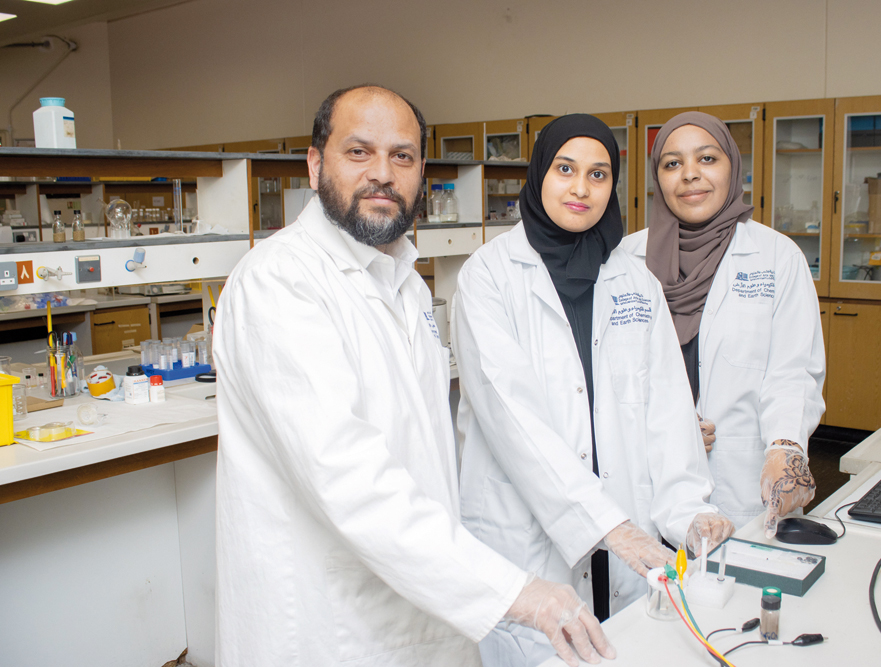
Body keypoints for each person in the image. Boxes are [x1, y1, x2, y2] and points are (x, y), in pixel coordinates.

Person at [213, 86, 615, 667]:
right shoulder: (279, 283)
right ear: (314, 162)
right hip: (326, 622)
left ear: (421, 170)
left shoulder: (405, 280)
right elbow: (349, 478)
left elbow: (423, 445)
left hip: (421, 605)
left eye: (402, 156)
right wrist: (515, 591)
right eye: (358, 152)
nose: (382, 173)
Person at [452, 114, 734, 667]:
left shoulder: (633, 279)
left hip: (626, 539)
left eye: (599, 174)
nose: (581, 188)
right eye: (565, 169)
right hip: (529, 538)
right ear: (538, 175)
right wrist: (611, 526)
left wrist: (687, 509)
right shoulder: (489, 277)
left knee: (629, 648)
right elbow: (514, 421)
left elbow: (667, 411)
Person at [622, 112, 825, 536]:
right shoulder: (624, 262)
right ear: (658, 179)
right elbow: (606, 376)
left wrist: (785, 447)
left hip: (742, 482)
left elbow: (792, 371)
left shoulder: (776, 256)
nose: (690, 175)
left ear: (732, 167)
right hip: (644, 479)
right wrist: (667, 428)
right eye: (672, 164)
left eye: (707, 159)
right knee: (654, 597)